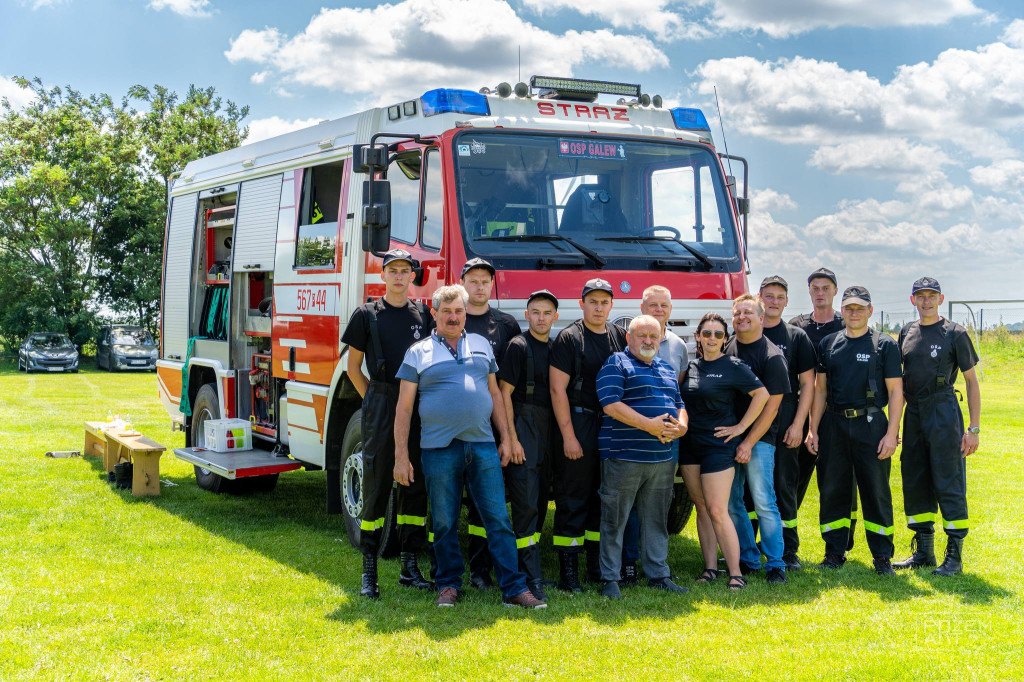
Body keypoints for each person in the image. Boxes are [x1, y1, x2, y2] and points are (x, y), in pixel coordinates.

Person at [393, 284, 546, 609]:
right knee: (445, 521)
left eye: (458, 311)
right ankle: (448, 585)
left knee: (497, 519)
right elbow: (404, 408)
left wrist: (506, 437)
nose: (453, 316)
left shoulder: (480, 345)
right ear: (434, 314)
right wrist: (401, 457)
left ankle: (514, 589)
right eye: (446, 311)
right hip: (438, 449)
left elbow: (493, 394)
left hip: (483, 446)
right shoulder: (418, 352)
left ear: (466, 314)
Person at [342, 249, 432, 599]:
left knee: (415, 483)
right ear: (383, 275)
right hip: (381, 401)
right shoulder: (366, 315)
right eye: (392, 270)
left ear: (412, 276)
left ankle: (410, 566)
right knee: (377, 485)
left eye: (404, 271)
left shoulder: (424, 314)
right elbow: (353, 369)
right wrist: (374, 401)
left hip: (417, 402)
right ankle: (370, 569)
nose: (398, 277)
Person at [806, 286, 903, 575]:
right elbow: (819, 390)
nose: (854, 313)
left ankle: (882, 556)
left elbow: (896, 392)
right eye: (849, 308)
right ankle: (834, 551)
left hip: (871, 425)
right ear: (842, 310)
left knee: (875, 490)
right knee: (832, 488)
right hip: (834, 424)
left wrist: (891, 434)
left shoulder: (884, 345)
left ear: (870, 311)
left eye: (860, 308)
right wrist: (813, 429)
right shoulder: (829, 344)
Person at [595, 315, 689, 599]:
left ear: (661, 338)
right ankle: (610, 579)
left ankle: (659, 574)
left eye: (653, 335)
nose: (648, 341)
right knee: (615, 519)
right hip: (624, 456)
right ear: (629, 338)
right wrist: (648, 425)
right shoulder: (616, 363)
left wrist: (681, 426)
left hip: (661, 458)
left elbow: (679, 403)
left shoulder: (665, 368)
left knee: (656, 520)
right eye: (642, 335)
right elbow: (610, 404)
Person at [894, 277, 980, 576]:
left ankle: (954, 555)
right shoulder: (906, 332)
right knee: (915, 476)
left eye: (932, 296)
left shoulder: (955, 333)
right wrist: (895, 425)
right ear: (913, 299)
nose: (926, 301)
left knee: (948, 478)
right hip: (914, 411)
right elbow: (901, 384)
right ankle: (924, 552)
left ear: (941, 299)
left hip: (943, 409)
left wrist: (973, 428)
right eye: (921, 296)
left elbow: (971, 381)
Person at [680, 312, 769, 590]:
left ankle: (735, 573)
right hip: (690, 445)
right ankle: (709, 568)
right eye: (706, 333)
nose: (712, 339)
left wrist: (741, 426)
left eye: (718, 334)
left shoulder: (733, 366)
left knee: (718, 509)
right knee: (701, 507)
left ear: (725, 338)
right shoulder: (691, 366)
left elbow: (762, 395)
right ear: (698, 337)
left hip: (718, 446)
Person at [549, 278, 628, 591]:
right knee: (572, 498)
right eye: (592, 301)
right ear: (581, 303)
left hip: (609, 425)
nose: (598, 307)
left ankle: (596, 566)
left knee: (601, 497)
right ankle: (568, 574)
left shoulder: (619, 335)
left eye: (604, 302)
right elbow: (557, 390)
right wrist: (568, 436)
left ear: (611, 305)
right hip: (578, 423)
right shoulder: (570, 338)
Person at [460, 257, 524, 590]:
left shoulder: (506, 325)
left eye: (485, 280)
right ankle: (465, 568)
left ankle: (483, 570)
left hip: (493, 423)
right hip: (457, 422)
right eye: (473, 280)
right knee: (461, 498)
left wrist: (508, 435)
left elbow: (505, 385)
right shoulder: (452, 319)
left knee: (488, 500)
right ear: (463, 284)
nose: (480, 286)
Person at [789, 267, 860, 548]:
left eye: (825, 288)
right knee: (792, 478)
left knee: (840, 480)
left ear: (834, 292)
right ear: (809, 291)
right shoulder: (796, 326)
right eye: (815, 288)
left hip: (837, 413)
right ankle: (784, 537)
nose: (820, 293)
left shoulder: (847, 325)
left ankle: (843, 539)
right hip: (800, 411)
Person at [723, 293, 791, 584]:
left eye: (748, 313)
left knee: (764, 501)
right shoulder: (728, 347)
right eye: (738, 313)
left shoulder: (772, 356)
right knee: (732, 501)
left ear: (761, 319)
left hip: (759, 440)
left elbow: (772, 407)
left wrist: (748, 442)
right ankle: (749, 558)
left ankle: (776, 563)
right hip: (728, 436)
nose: (742, 318)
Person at [498, 289, 561, 601]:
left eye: (546, 313)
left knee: (538, 505)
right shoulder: (517, 347)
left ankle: (531, 567)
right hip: (523, 427)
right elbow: (503, 394)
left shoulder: (557, 347)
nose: (541, 318)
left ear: (555, 317)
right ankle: (528, 578)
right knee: (524, 505)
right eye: (535, 312)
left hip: (549, 430)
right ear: (527, 314)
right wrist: (511, 439)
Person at [758, 276, 817, 570]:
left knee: (784, 484)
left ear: (786, 301)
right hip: (753, 420)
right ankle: (750, 546)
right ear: (759, 298)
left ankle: (788, 549)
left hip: (786, 419)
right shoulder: (745, 332)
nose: (773, 301)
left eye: (779, 297)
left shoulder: (796, 336)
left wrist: (798, 425)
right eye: (768, 296)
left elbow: (808, 384)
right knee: (750, 487)